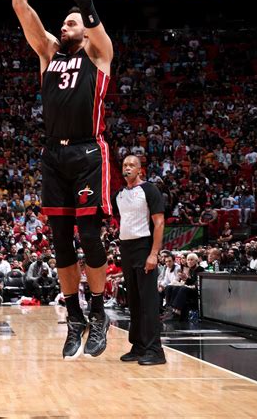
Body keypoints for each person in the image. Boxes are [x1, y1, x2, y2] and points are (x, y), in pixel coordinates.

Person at [12, 0, 113, 359]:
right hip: (53, 154)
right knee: (59, 242)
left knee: (90, 239)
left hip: (90, 151)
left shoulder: (99, 53)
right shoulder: (48, 54)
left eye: (71, 22)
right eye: (64, 22)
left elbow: (88, 6)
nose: (65, 25)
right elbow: (20, 4)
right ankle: (73, 316)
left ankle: (98, 311)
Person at [112, 155, 167, 365]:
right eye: (124, 164)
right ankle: (138, 346)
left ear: (139, 170)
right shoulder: (119, 194)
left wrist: (153, 254)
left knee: (148, 301)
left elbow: (159, 223)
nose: (127, 167)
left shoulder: (149, 190)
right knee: (133, 300)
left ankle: (155, 350)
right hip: (126, 248)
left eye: (131, 165)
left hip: (144, 247)